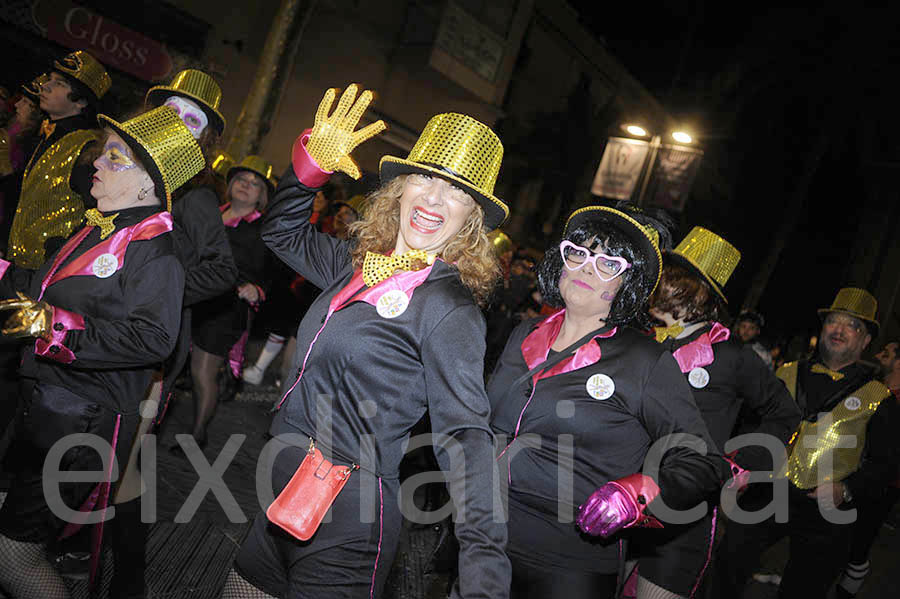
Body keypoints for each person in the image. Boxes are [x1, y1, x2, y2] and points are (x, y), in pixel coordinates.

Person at [222, 85, 510, 599]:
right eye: (425, 177)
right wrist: (312, 167)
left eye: (458, 192)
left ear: (471, 220)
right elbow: (282, 233)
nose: (434, 199)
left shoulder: (450, 311)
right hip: (283, 482)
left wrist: (484, 568)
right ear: (399, 188)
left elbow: (466, 437)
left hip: (349, 518)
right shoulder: (354, 266)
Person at [0, 105, 203, 598]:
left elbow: (153, 337)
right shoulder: (101, 226)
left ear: (146, 186)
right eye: (105, 152)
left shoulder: (155, 250)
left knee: (13, 556)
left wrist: (55, 329)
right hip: (46, 406)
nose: (98, 162)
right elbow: (43, 287)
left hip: (81, 420)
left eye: (115, 158)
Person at [486, 205, 729, 599]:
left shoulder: (644, 361)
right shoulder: (523, 333)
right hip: (485, 544)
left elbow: (704, 462)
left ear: (627, 285)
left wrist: (638, 493)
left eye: (608, 263)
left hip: (569, 564)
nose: (586, 268)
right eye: (579, 253)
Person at [631, 227, 800, 599]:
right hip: (622, 497)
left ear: (694, 292)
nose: (655, 283)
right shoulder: (639, 339)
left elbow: (784, 413)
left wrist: (740, 466)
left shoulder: (732, 356)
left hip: (682, 515)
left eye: (667, 277)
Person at [711, 288, 900, 599]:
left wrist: (846, 489)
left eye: (852, 325)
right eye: (833, 322)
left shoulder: (878, 395)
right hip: (767, 490)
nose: (839, 330)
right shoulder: (787, 371)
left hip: (826, 506)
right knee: (728, 564)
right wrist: (741, 464)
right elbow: (753, 423)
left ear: (866, 341)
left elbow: (885, 463)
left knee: (804, 588)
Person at [181, 155, 273, 448]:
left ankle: (197, 435)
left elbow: (274, 273)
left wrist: (258, 289)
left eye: (255, 184)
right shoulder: (210, 212)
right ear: (231, 184)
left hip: (225, 307)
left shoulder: (263, 230)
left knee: (201, 371)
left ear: (262, 196)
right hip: (189, 296)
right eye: (242, 180)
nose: (247, 186)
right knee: (177, 366)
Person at [6, 51, 111, 269]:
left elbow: (100, 211)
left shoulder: (88, 147)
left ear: (81, 101)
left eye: (60, 84)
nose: (46, 87)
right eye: (50, 80)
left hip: (44, 275)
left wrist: (62, 251)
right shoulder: (44, 137)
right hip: (15, 265)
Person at [833, 339, 900, 598]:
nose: (878, 355)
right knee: (840, 535)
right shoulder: (876, 389)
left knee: (859, 543)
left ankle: (844, 592)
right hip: (858, 471)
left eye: (886, 353)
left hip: (886, 482)